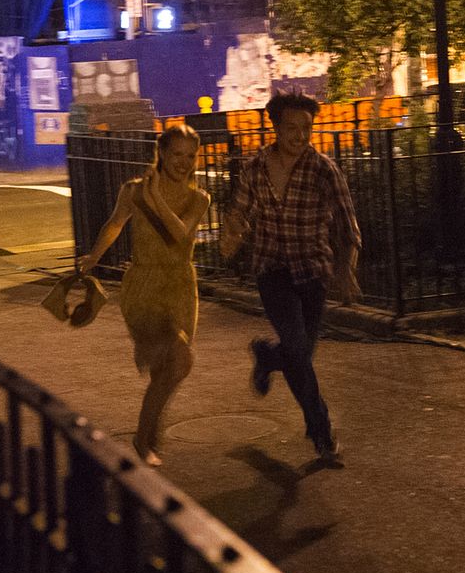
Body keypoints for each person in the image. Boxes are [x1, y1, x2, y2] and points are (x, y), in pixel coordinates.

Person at [219, 91, 361, 462]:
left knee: (300, 354)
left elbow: (348, 225)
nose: (300, 136)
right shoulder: (256, 169)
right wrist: (232, 232)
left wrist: (347, 269)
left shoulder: (323, 170)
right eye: (292, 129)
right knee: (298, 349)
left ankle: (267, 356)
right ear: (276, 128)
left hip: (313, 270)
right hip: (273, 270)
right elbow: (240, 211)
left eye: (306, 129)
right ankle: (322, 432)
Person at [78, 124, 211, 467]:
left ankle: (146, 436)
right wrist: (94, 256)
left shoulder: (199, 199)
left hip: (181, 288)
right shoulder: (134, 191)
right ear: (162, 154)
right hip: (144, 287)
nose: (184, 162)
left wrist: (154, 200)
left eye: (190, 156)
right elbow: (114, 223)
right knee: (180, 359)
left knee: (165, 370)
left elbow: (180, 236)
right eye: (176, 154)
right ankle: (145, 436)